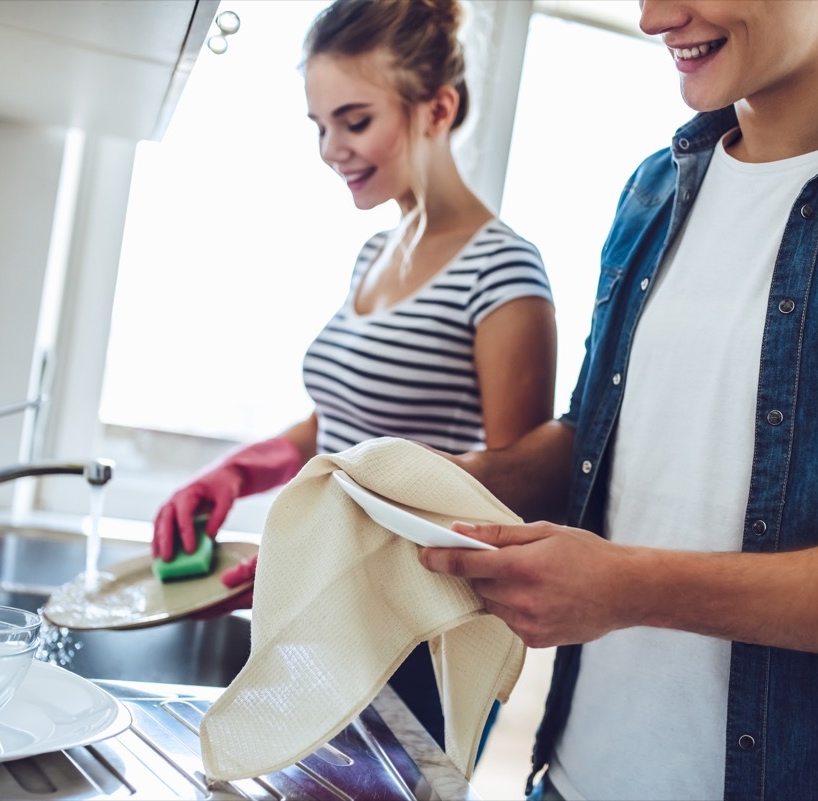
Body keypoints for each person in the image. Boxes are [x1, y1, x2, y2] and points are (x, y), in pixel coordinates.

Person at [416, 1, 818, 799]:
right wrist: (438, 484)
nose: (655, 17)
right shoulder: (653, 189)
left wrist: (629, 588)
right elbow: (599, 437)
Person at [152, 0, 557, 754]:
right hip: (337, 623)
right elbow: (336, 424)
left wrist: (331, 547)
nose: (331, 148)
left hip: (409, 641)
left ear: (438, 108)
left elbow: (506, 493)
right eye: (318, 125)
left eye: (354, 120)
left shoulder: (502, 269)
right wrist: (237, 473)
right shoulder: (374, 253)